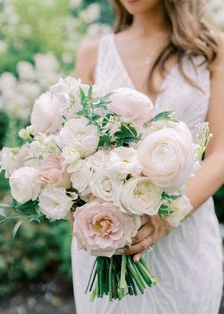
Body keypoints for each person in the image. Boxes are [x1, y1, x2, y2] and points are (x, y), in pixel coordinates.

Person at [72, 0, 224, 313]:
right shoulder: (93, 54)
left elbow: (221, 152)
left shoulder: (212, 50)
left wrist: (166, 218)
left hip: (186, 244)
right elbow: (74, 149)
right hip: (108, 245)